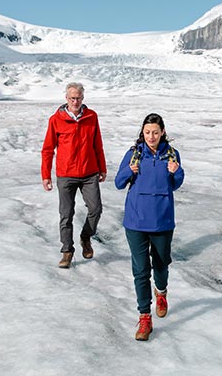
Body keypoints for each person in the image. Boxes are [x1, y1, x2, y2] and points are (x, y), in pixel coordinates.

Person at [115, 113, 184, 341]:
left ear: (162, 132)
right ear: (142, 133)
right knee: (141, 270)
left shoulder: (171, 155)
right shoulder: (133, 154)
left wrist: (177, 172)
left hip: (162, 219)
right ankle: (145, 317)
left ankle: (161, 292)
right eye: (147, 132)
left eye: (155, 132)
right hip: (135, 221)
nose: (151, 136)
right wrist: (129, 171)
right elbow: (118, 183)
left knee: (161, 263)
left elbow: (174, 184)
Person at [41, 82, 107, 269]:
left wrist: (102, 169)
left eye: (78, 98)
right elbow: (47, 149)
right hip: (66, 174)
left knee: (96, 209)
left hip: (89, 172)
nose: (75, 101)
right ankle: (67, 251)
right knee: (66, 214)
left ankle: (85, 237)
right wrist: (46, 175)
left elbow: (98, 145)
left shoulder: (91, 117)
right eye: (72, 98)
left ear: (83, 98)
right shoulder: (56, 119)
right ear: (66, 98)